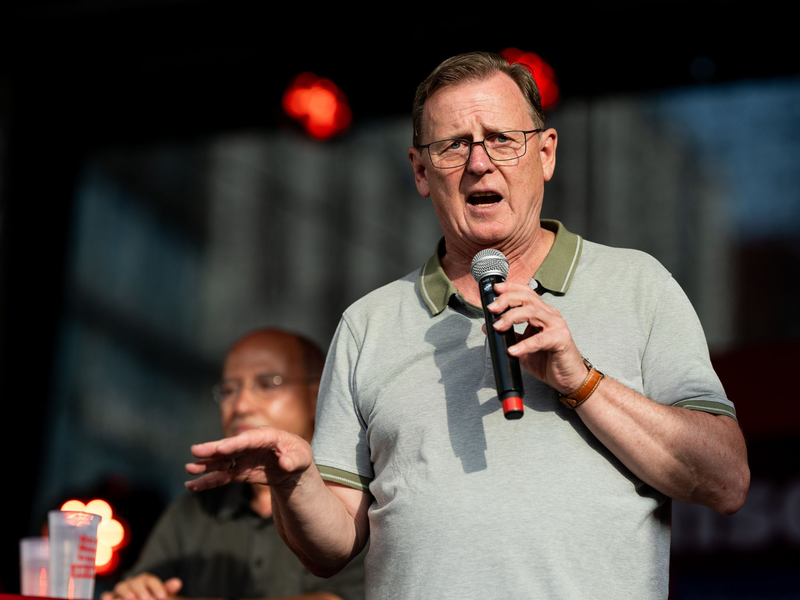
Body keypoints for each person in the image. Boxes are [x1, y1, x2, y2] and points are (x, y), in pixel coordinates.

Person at [185, 53, 750, 599]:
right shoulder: (368, 324)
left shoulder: (637, 284)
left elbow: (725, 481)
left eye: (502, 139)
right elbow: (330, 549)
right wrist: (294, 482)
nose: (480, 162)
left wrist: (581, 381)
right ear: (420, 171)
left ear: (546, 154)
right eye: (454, 145)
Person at [105, 329, 365, 600]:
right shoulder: (195, 510)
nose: (240, 405)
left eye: (267, 384)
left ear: (317, 395)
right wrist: (136, 591)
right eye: (229, 390)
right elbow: (137, 588)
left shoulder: (353, 504)